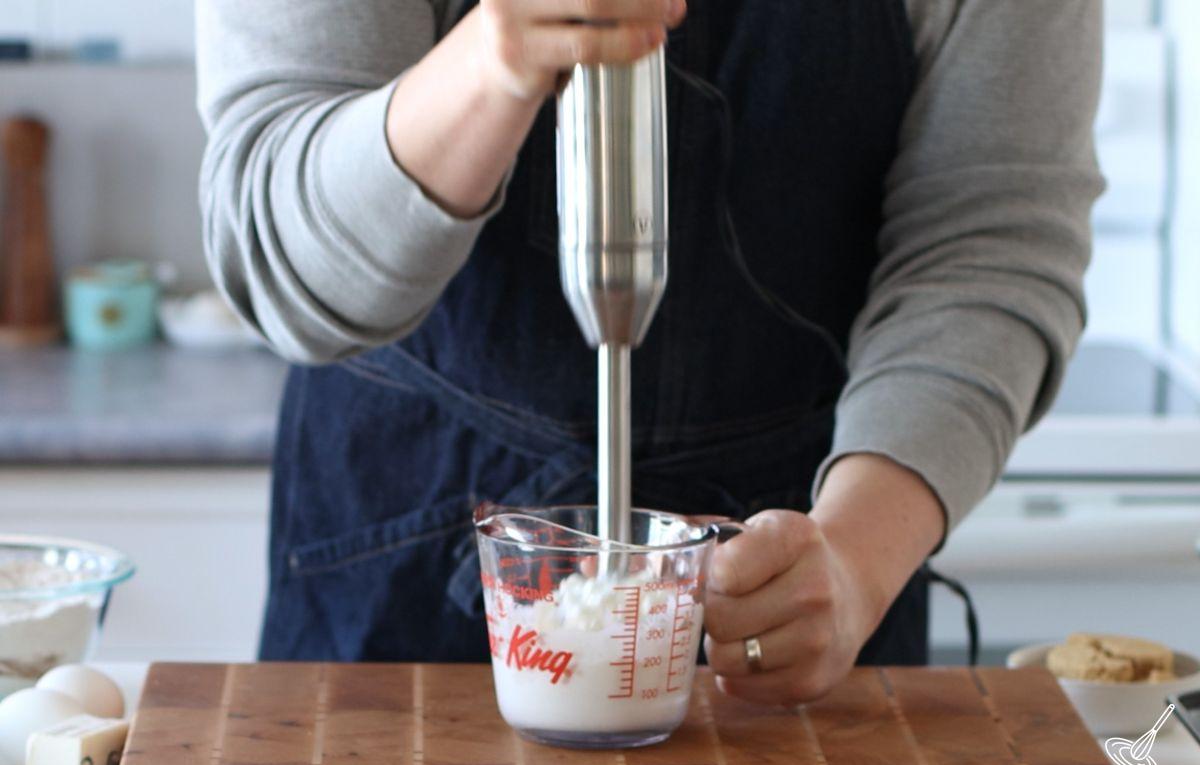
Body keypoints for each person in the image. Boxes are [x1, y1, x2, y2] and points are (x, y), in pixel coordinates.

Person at [196, 0, 1103, 705]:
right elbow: (283, 256)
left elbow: (985, 249)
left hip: (802, 559)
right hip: (402, 552)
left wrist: (855, 560)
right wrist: (489, 66)